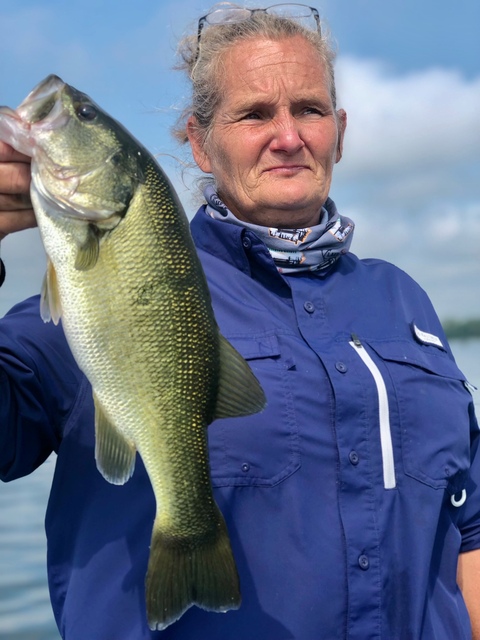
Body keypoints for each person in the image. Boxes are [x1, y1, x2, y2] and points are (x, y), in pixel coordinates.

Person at [1, 3, 479, 639]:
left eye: (308, 109)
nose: (287, 136)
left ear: (340, 129)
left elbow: (467, 518)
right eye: (254, 114)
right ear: (200, 142)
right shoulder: (111, 292)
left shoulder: (404, 301)